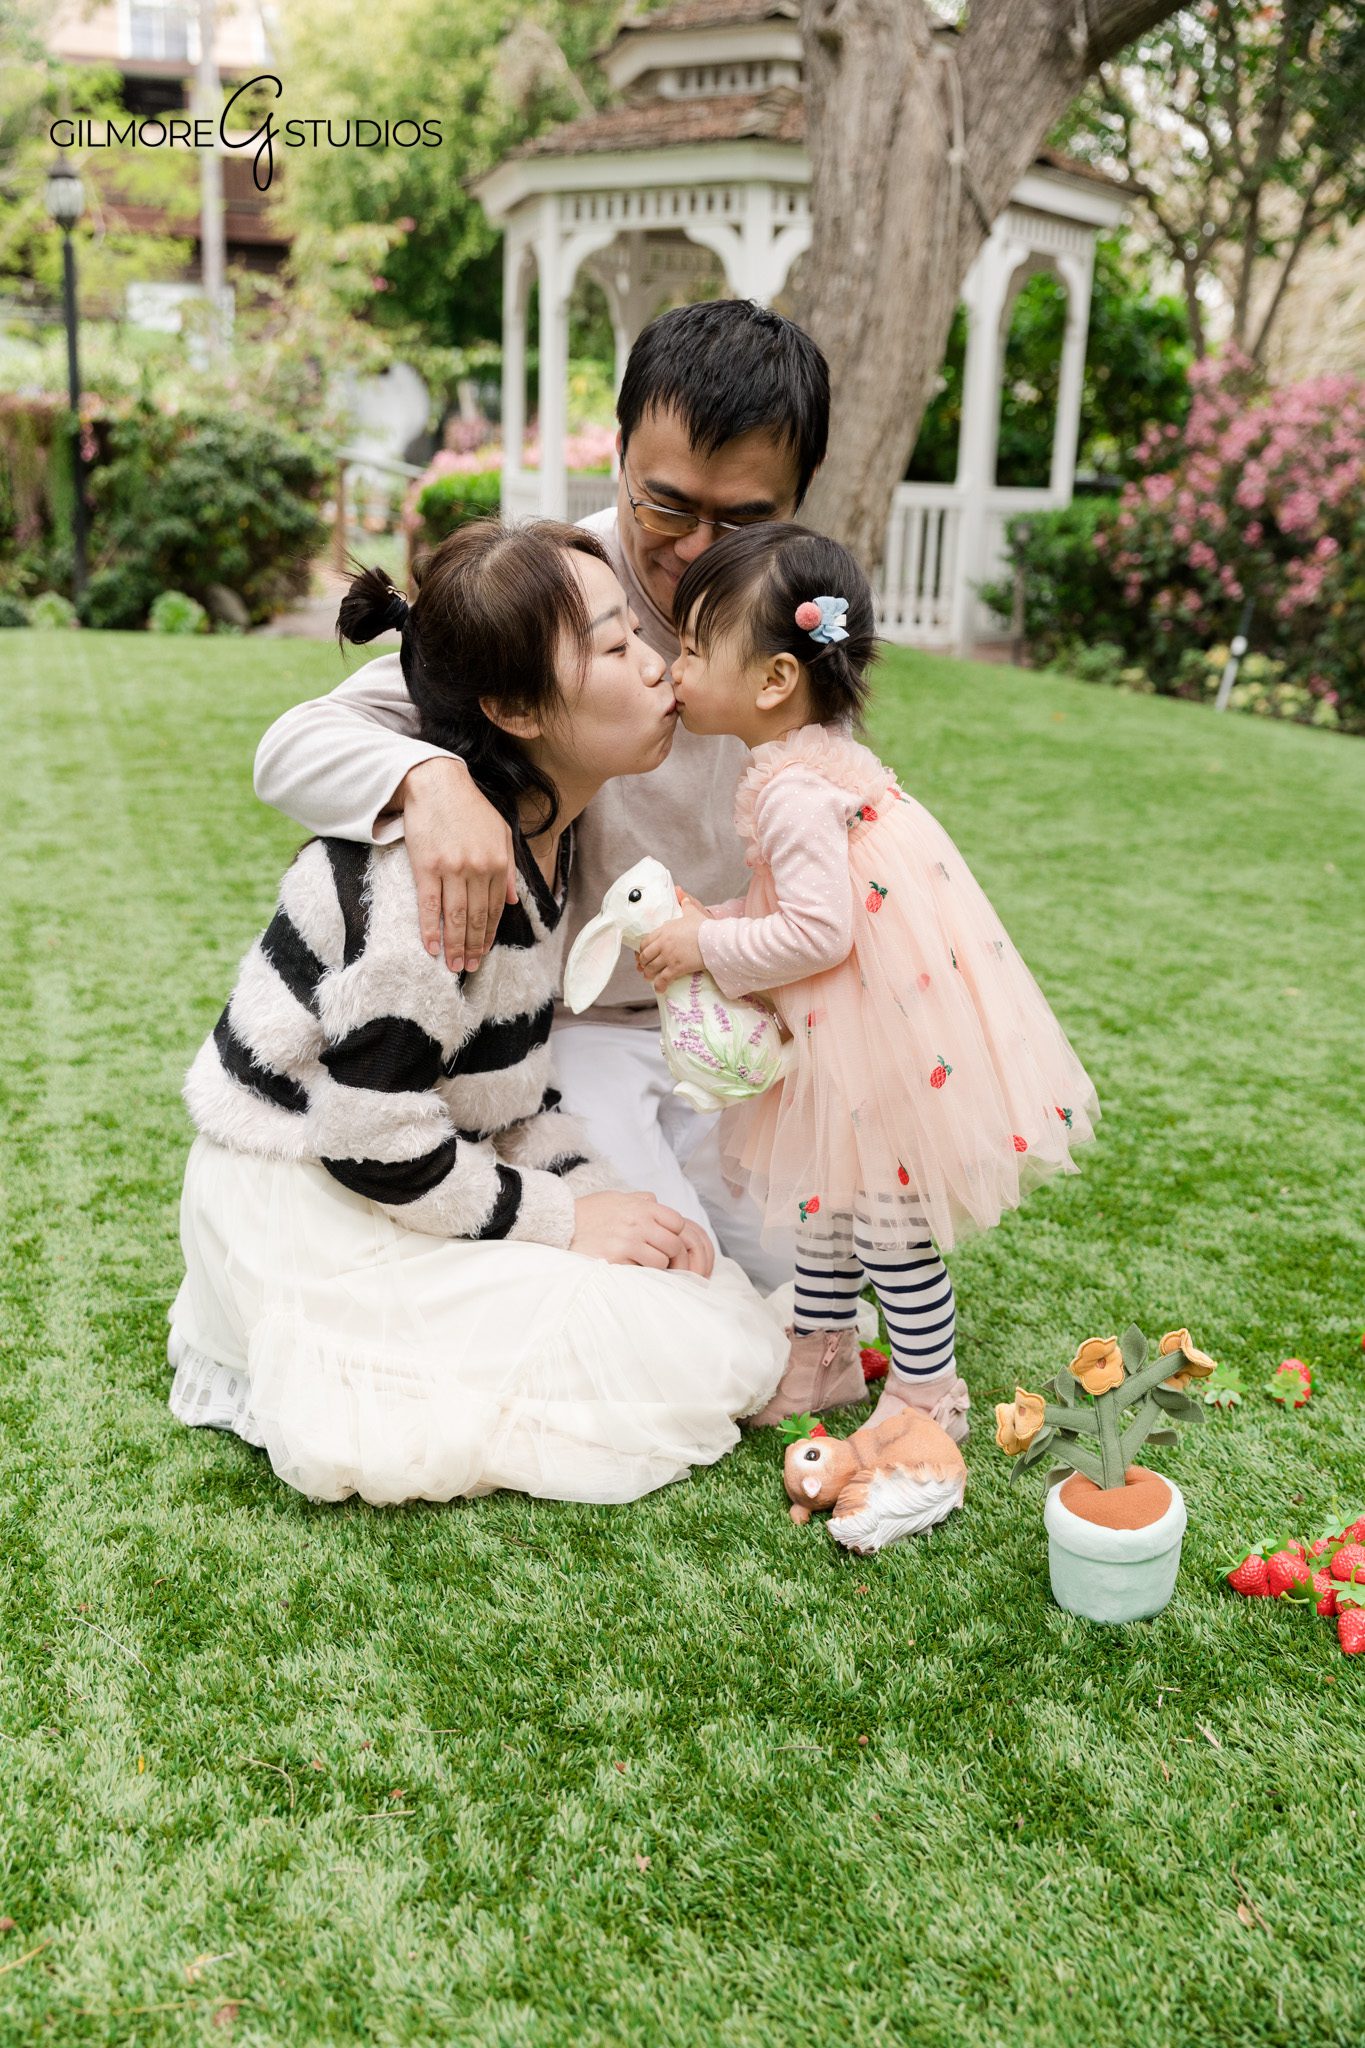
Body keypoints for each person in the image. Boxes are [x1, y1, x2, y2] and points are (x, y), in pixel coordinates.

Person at [168, 519, 786, 1507]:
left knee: (679, 1280)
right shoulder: (436, 887)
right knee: (664, 1351)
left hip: (417, 1151)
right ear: (512, 707)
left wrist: (597, 1197)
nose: (660, 666)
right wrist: (566, 1217)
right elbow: (368, 1138)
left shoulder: (547, 836)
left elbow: (497, 1091)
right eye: (620, 648)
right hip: (307, 1186)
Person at [252, 300, 832, 1292]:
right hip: (572, 1030)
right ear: (618, 456)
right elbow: (291, 746)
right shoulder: (555, 593)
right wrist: (427, 778)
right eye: (667, 505)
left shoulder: (800, 620)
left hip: (723, 1017)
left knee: (823, 1273)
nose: (699, 548)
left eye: (743, 519)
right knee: (671, 1286)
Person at [634, 524, 1101, 1436]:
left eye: (692, 648)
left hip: (863, 1033)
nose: (674, 667)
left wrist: (705, 947)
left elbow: (814, 931)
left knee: (886, 1219)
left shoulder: (792, 792)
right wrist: (714, 922)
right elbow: (809, 906)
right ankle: (824, 1353)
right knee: (826, 1195)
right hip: (853, 1015)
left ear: (774, 680)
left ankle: (929, 1395)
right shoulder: (804, 760)